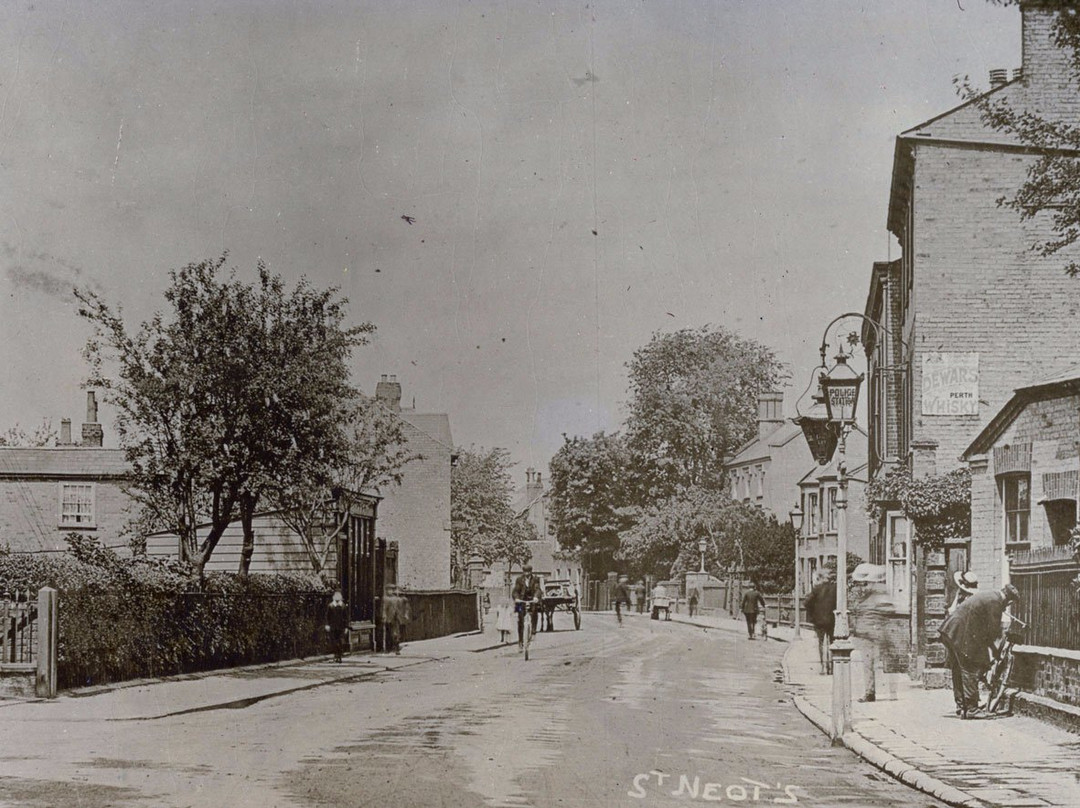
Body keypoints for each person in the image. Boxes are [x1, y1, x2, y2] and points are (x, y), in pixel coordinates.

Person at [939, 583, 1020, 719]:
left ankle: (962, 705)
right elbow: (992, 631)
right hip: (960, 633)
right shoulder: (996, 602)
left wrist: (992, 650)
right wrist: (995, 651)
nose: (1006, 607)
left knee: (958, 670)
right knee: (969, 669)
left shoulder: (990, 595)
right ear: (1009, 600)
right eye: (1008, 604)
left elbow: (986, 631)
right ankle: (971, 709)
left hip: (951, 630)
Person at [804, 574, 837, 674]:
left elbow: (806, 603)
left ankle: (823, 667)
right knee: (833, 642)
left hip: (819, 620)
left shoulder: (817, 589)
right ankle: (832, 666)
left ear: (823, 579)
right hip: (832, 619)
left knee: (821, 642)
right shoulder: (836, 588)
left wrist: (812, 613)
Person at [511, 564, 542, 649]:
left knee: (535, 611)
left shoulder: (535, 579)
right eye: (525, 572)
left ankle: (533, 631)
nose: (527, 573)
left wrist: (536, 597)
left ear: (531, 571)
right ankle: (520, 641)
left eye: (528, 571)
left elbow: (537, 589)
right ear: (523, 572)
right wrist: (516, 598)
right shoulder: (519, 580)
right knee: (520, 620)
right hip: (521, 601)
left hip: (532, 600)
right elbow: (515, 591)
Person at [382, 585, 411, 655]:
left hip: (397, 618)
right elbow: (384, 608)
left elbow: (405, 606)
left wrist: (405, 615)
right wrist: (384, 616)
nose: (390, 591)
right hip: (389, 617)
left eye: (391, 590)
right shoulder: (385, 599)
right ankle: (389, 648)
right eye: (388, 590)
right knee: (389, 633)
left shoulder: (398, 599)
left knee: (396, 633)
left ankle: (396, 647)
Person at [325, 590, 349, 663]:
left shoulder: (343, 606)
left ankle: (339, 655)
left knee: (340, 641)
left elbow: (346, 617)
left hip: (341, 627)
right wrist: (327, 625)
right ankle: (336, 655)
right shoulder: (330, 606)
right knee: (334, 642)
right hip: (333, 627)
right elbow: (327, 616)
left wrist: (346, 627)